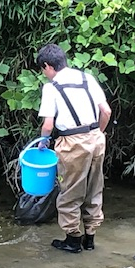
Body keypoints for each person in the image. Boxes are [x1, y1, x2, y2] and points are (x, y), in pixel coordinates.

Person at [35, 43, 112, 252]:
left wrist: (43, 141)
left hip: (72, 142)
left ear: (47, 66)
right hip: (96, 138)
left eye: (43, 70)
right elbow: (106, 111)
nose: (45, 75)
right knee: (94, 188)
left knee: (70, 190)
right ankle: (90, 238)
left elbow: (48, 125)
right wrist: (99, 133)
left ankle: (72, 240)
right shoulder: (87, 78)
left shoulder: (51, 87)